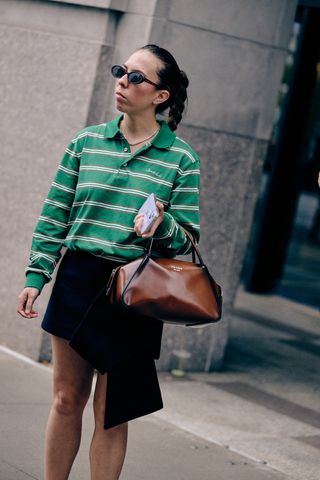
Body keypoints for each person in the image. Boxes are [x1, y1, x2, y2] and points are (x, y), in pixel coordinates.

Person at [17, 44, 200, 480]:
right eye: (122, 71)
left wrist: (163, 224)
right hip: (79, 278)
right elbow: (55, 213)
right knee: (65, 399)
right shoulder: (86, 143)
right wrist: (36, 274)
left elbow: (188, 238)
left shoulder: (182, 159)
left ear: (161, 96)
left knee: (112, 411)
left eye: (137, 77)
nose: (122, 81)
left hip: (135, 289)